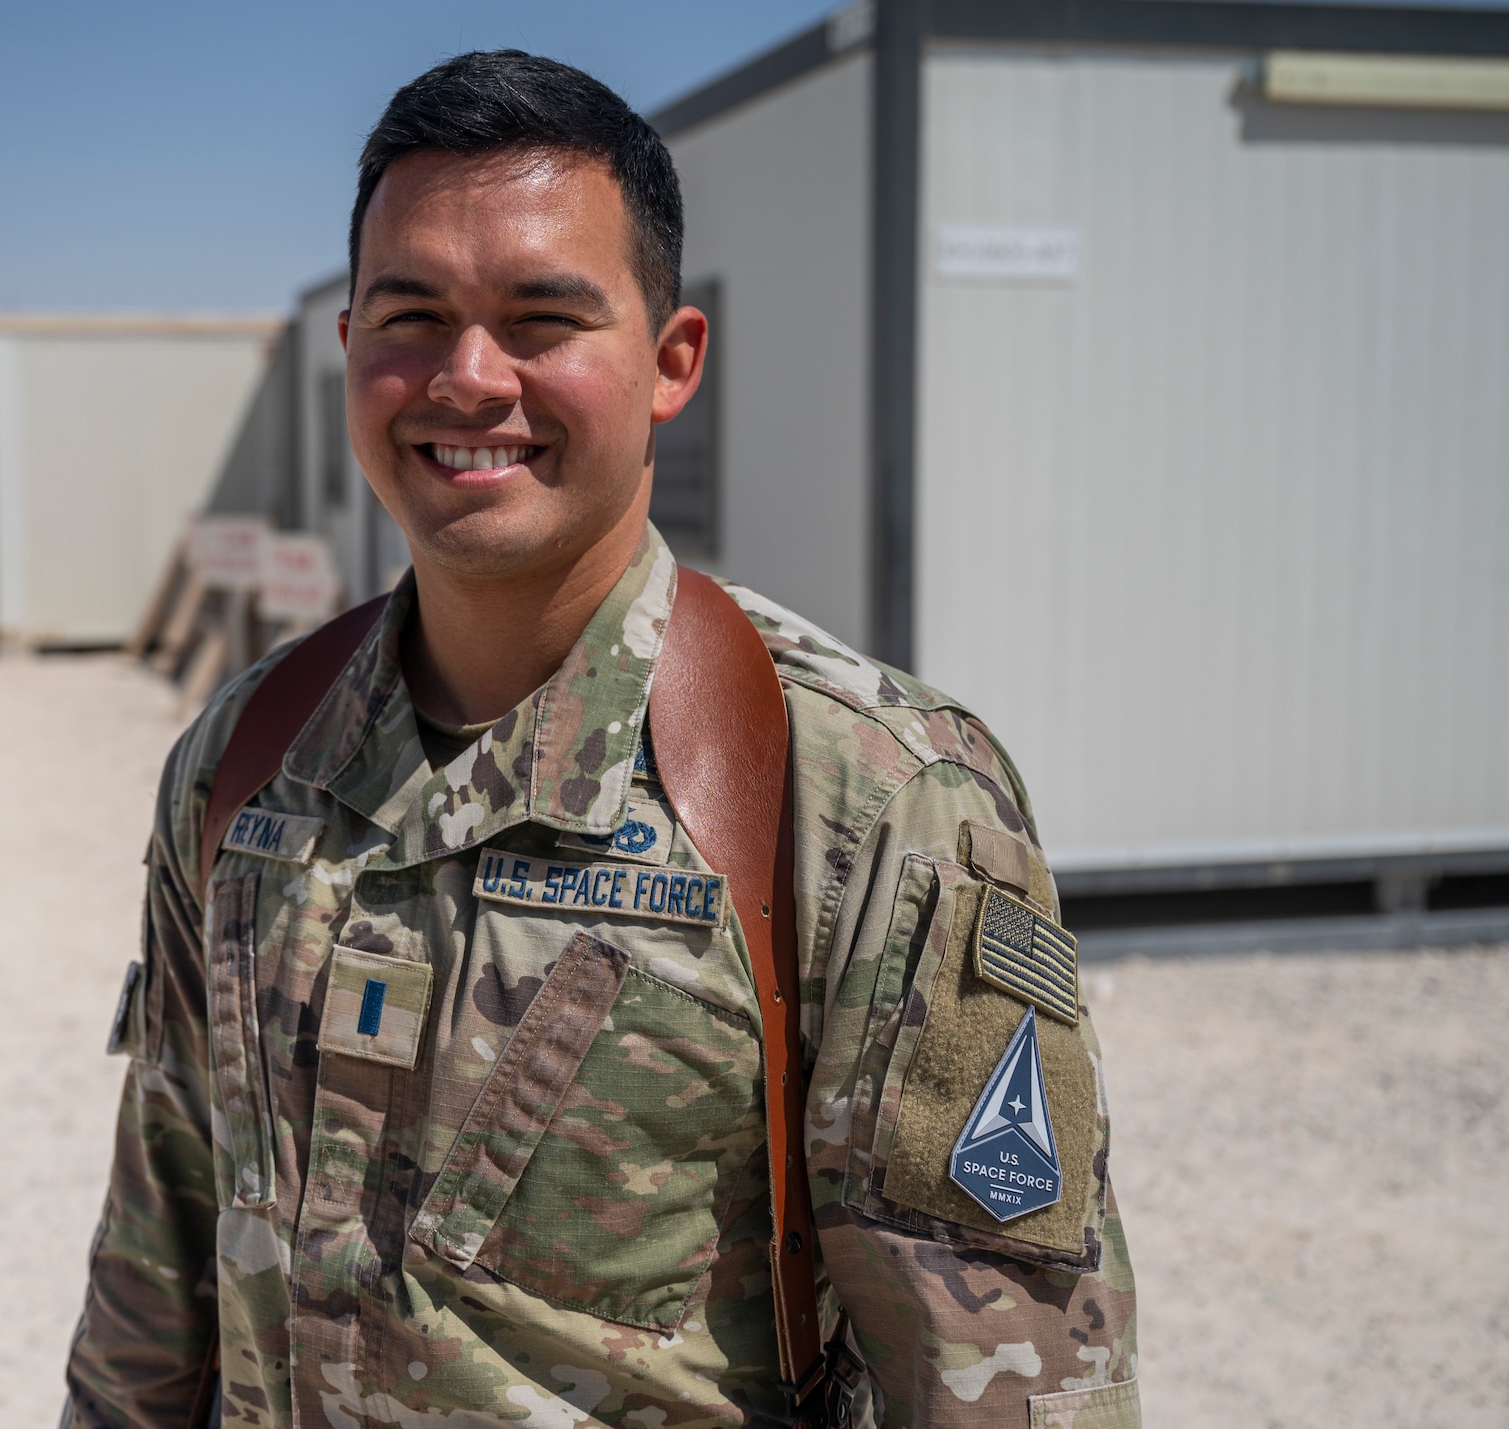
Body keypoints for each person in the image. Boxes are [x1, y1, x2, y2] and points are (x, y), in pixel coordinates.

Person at [62, 50, 1139, 1429]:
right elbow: (154, 1272)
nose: (466, 376)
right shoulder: (247, 757)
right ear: (348, 354)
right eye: (411, 313)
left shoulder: (865, 800)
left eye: (540, 317)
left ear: (669, 361)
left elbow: (1010, 1390)